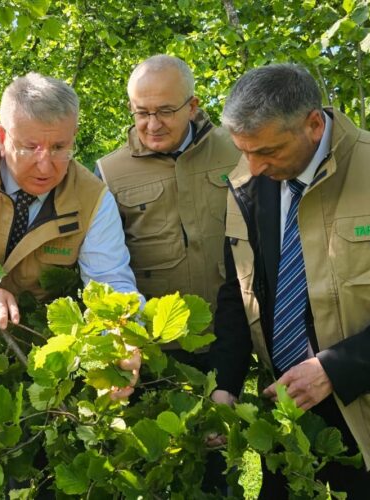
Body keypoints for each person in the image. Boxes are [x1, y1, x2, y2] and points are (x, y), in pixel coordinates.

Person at [210, 63, 370, 498]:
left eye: (268, 151)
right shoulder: (248, 182)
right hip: (285, 411)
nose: (253, 167)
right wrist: (225, 384)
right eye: (244, 151)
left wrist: (333, 369)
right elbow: (239, 292)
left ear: (314, 124)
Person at [0, 72, 141, 397]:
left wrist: (119, 336)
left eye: (59, 147)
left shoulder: (94, 199)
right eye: (29, 147)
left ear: (74, 135)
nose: (45, 165)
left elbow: (111, 282)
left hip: (39, 349)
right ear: (2, 135)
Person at [95, 53, 241, 495]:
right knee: (152, 471)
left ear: (193, 106)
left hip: (227, 338)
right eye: (142, 112)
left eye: (165, 111)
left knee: (217, 465)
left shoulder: (237, 152)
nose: (152, 124)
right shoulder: (108, 171)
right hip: (152, 351)